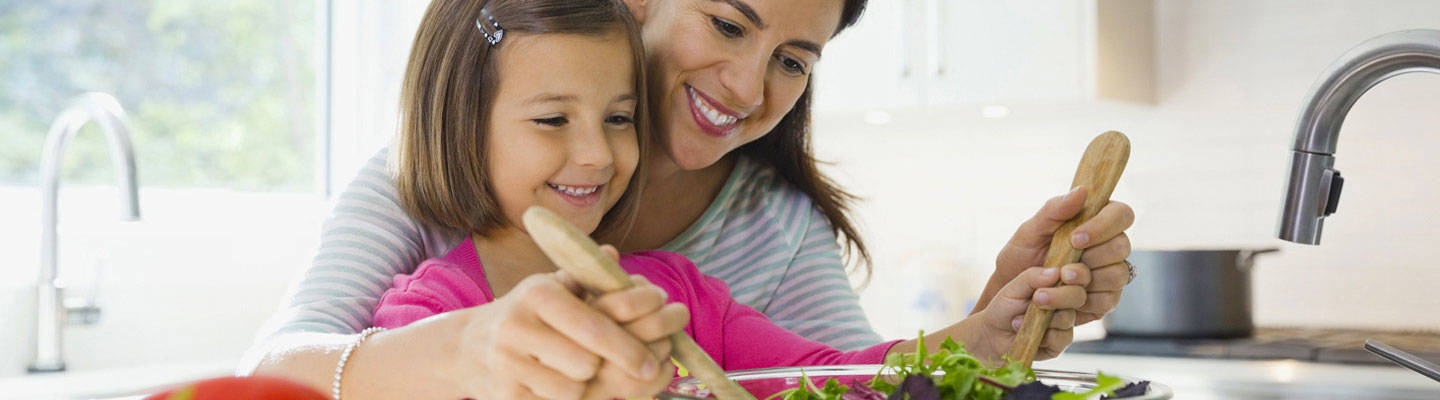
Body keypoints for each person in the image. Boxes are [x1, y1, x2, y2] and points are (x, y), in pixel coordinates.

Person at [243, 0, 1136, 397]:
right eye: (727, 22)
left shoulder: (682, 286)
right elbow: (280, 375)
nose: (595, 155)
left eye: (618, 119)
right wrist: (468, 355)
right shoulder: (428, 301)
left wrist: (988, 332)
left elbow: (842, 382)